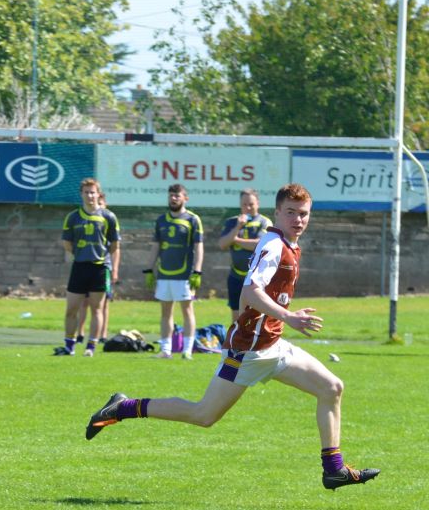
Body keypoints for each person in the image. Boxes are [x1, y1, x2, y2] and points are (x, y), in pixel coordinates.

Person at [86, 183, 379, 491]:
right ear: (277, 212)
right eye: (290, 212)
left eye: (303, 214)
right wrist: (288, 316)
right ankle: (123, 407)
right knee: (203, 415)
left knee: (332, 387)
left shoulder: (283, 242)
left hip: (272, 345)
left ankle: (334, 470)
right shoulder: (275, 245)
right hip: (248, 352)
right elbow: (250, 291)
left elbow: (255, 297)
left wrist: (274, 314)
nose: (298, 219)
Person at [56, 178, 119, 357]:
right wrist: (79, 253)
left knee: (96, 308)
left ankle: (91, 346)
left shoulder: (108, 217)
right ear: (81, 194)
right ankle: (69, 346)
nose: (90, 195)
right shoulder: (73, 217)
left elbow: (114, 245)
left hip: (99, 268)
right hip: (80, 267)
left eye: (93, 192)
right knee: (71, 309)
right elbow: (67, 242)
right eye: (86, 192)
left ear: (98, 194)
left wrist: (111, 265)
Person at [145, 184, 204, 359]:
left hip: (185, 274)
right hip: (164, 274)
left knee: (187, 311)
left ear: (185, 198)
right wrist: (149, 269)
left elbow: (199, 247)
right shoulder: (161, 220)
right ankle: (166, 350)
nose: (173, 198)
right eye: (171, 195)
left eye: (177, 196)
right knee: (166, 312)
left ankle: (187, 350)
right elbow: (155, 246)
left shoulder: (193, 220)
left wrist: (197, 271)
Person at [218, 188, 272, 325]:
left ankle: (256, 345)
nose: (247, 207)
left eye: (251, 204)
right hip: (236, 276)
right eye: (244, 204)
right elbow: (222, 244)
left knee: (256, 315)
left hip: (257, 278)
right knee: (236, 316)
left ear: (258, 203)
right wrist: (237, 227)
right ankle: (236, 345)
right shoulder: (232, 222)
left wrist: (235, 240)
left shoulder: (264, 222)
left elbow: (258, 245)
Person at [74, 192, 118, 344]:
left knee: (102, 304)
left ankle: (102, 335)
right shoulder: (84, 220)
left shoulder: (108, 220)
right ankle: (79, 333)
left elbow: (115, 248)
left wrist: (115, 270)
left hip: (103, 267)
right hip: (85, 266)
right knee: (83, 302)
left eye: (102, 203)